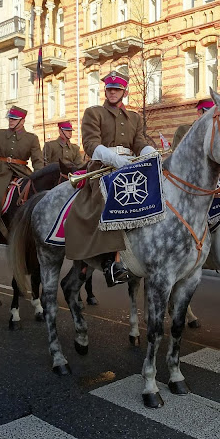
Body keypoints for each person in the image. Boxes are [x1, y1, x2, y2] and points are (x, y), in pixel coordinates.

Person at [65, 71, 155, 286]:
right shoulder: (94, 112)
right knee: (110, 200)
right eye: (109, 89)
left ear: (124, 91)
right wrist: (115, 159)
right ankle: (109, 262)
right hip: (103, 166)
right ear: (105, 90)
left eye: (117, 89)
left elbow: (139, 142)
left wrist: (149, 153)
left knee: (156, 195)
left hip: (131, 166)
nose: (113, 92)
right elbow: (91, 144)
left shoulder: (134, 117)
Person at [0, 106, 44, 238]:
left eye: (14, 119)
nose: (11, 121)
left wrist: (40, 175)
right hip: (0, 171)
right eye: (10, 118)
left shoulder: (32, 138)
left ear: (22, 121)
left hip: (22, 171)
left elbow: (37, 160)